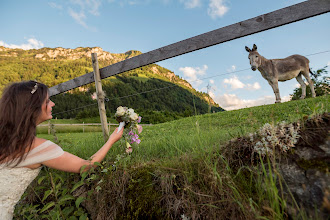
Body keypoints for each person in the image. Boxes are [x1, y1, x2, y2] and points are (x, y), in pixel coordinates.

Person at [0, 81, 124, 219]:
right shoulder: (38, 148)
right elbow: (86, 166)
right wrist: (112, 140)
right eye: (47, 101)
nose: (52, 104)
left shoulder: (5, 141)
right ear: (32, 108)